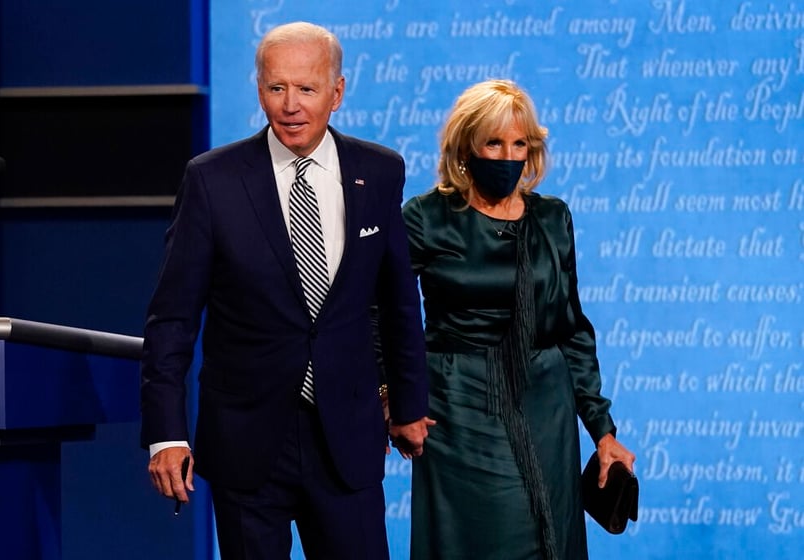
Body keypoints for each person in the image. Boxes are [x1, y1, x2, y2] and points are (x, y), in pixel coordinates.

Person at [140, 21, 433, 560]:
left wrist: (410, 402)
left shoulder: (380, 171)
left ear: (337, 92)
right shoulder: (212, 179)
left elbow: (397, 302)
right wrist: (166, 433)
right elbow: (172, 320)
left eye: (307, 89)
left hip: (346, 437)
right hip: (247, 441)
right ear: (259, 91)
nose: (291, 105)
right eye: (277, 88)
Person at [402, 79, 636, 560]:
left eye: (519, 144)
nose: (508, 156)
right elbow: (382, 315)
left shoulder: (553, 218)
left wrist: (603, 431)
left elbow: (570, 327)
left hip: (546, 407)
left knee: (550, 539)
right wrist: (393, 401)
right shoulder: (426, 217)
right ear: (466, 145)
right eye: (494, 142)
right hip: (460, 408)